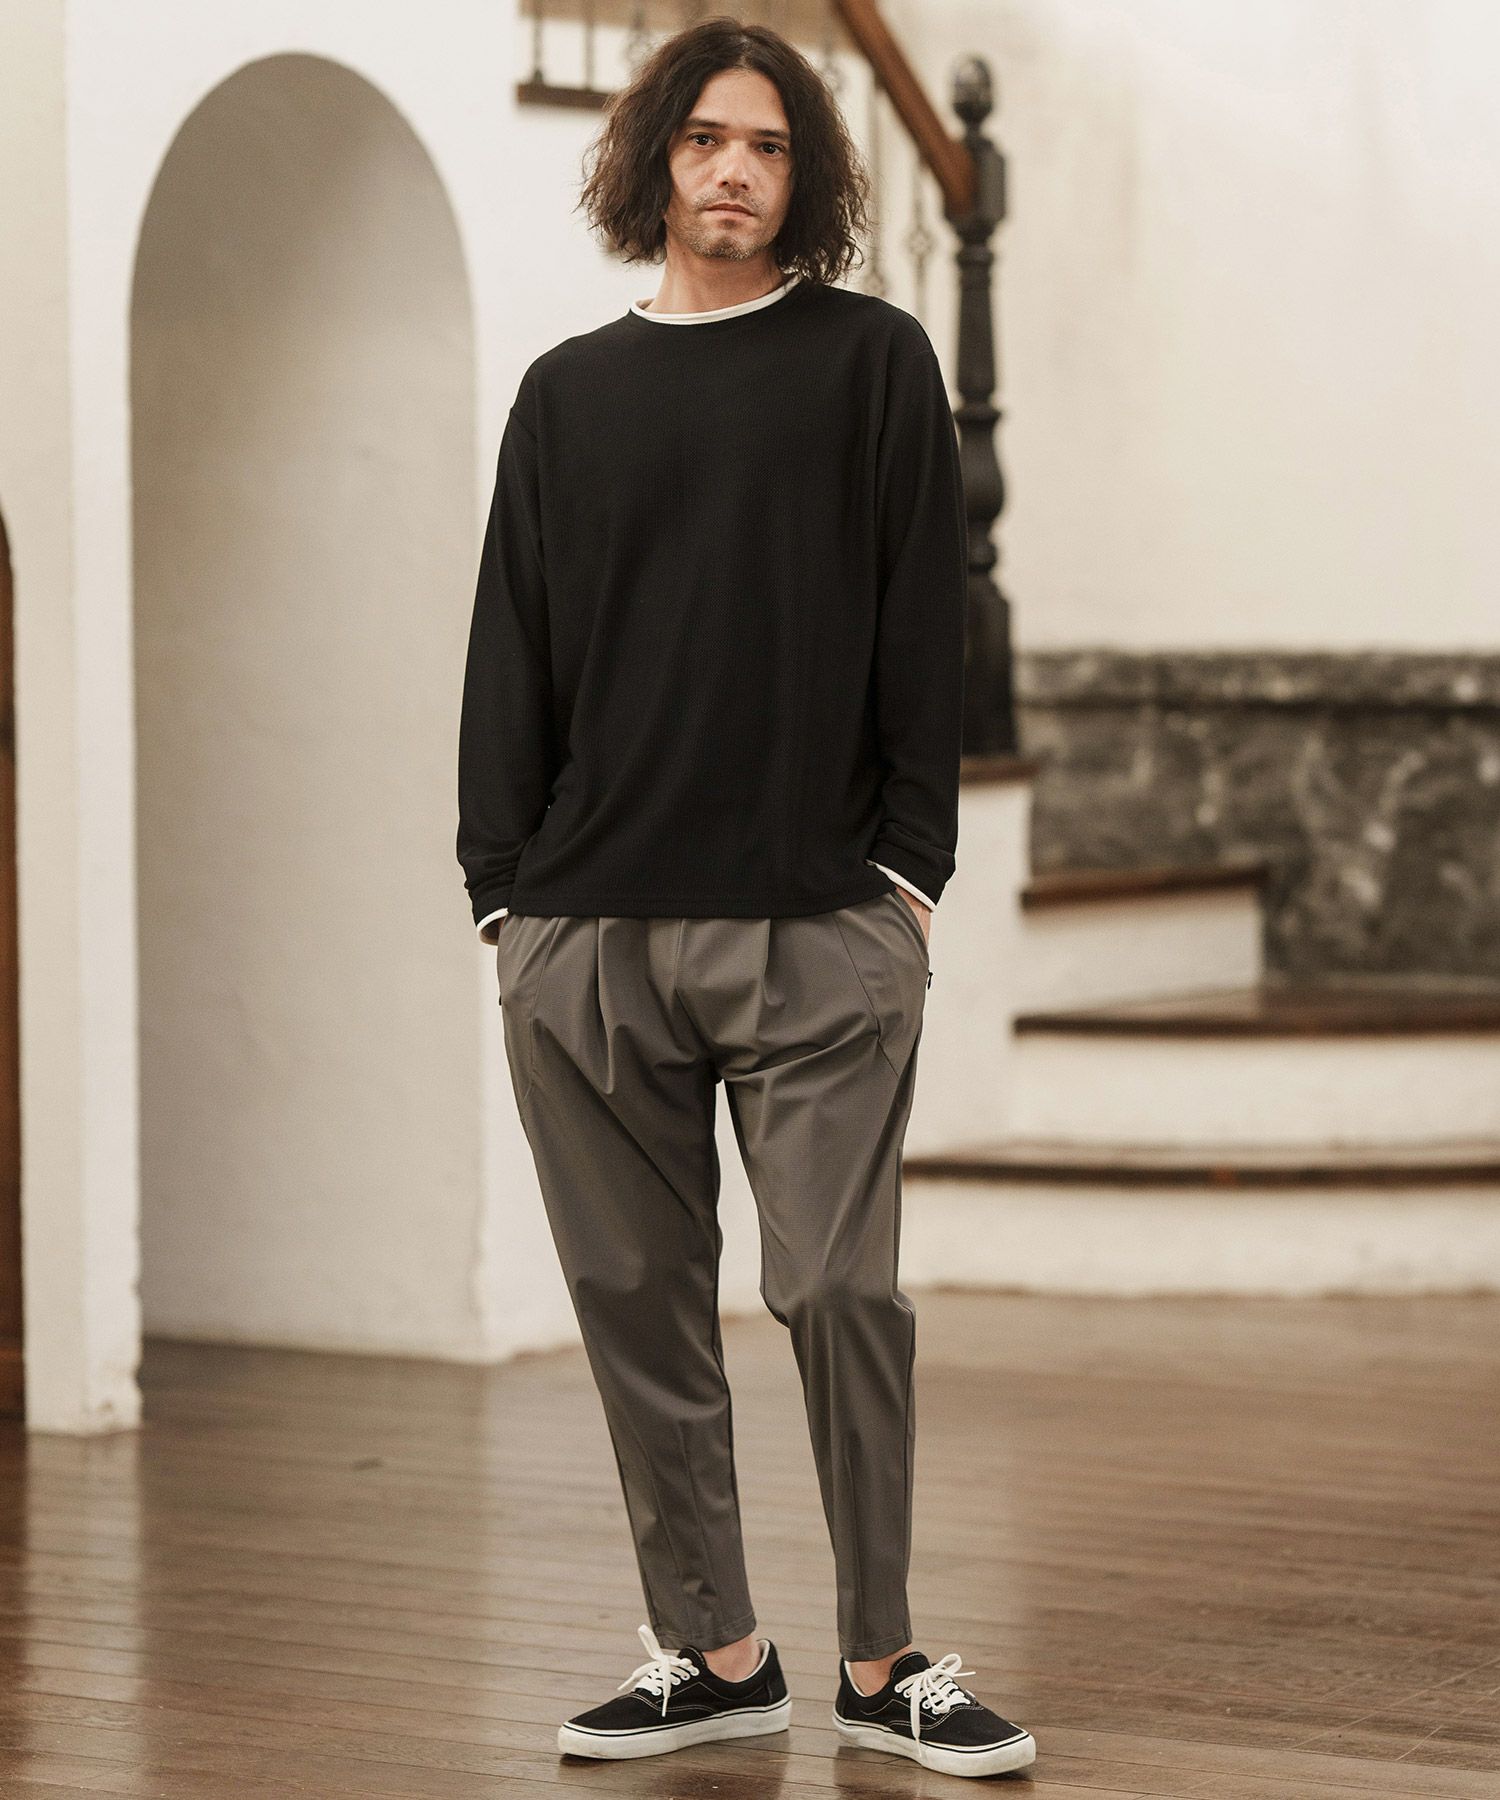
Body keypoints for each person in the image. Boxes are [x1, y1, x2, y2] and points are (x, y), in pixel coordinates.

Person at [456, 15, 1036, 1782]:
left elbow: (923, 630)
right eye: (706, 138)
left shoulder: (872, 363)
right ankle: (715, 1654)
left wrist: (907, 877)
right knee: (637, 1304)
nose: (734, 169)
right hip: (589, 932)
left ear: (808, 178)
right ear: (655, 161)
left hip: (818, 924)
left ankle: (881, 1660)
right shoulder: (567, 394)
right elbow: (512, 652)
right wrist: (505, 900)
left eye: (769, 146)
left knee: (842, 1291)